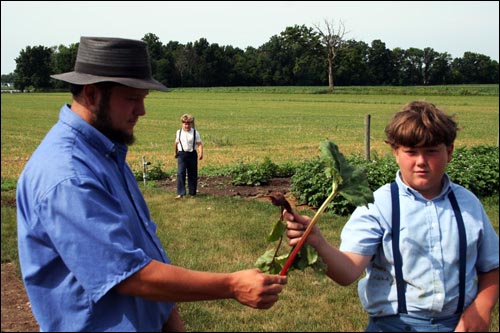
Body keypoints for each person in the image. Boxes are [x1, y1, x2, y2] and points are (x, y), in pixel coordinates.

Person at [16, 36, 286, 332]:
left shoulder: (104, 154)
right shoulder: (68, 175)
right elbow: (130, 276)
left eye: (144, 98)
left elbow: (146, 251)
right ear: (92, 95)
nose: (142, 110)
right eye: (132, 98)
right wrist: (232, 285)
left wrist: (171, 323)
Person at [284, 101, 499, 332]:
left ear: (449, 151)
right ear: (395, 152)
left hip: (458, 325)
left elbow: (492, 266)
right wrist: (317, 242)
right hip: (394, 326)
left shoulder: (468, 204)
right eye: (411, 152)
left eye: (431, 151)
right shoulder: (378, 205)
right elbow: (347, 271)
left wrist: (482, 308)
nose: (421, 162)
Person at [174, 114, 203, 198]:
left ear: (191, 124)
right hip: (182, 154)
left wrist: (201, 153)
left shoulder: (195, 132)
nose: (187, 125)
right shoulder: (178, 132)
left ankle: (192, 193)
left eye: (189, 124)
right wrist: (175, 153)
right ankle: (181, 193)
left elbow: (199, 144)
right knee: (180, 173)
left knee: (192, 173)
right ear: (182, 124)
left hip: (192, 154)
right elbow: (176, 143)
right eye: (185, 124)